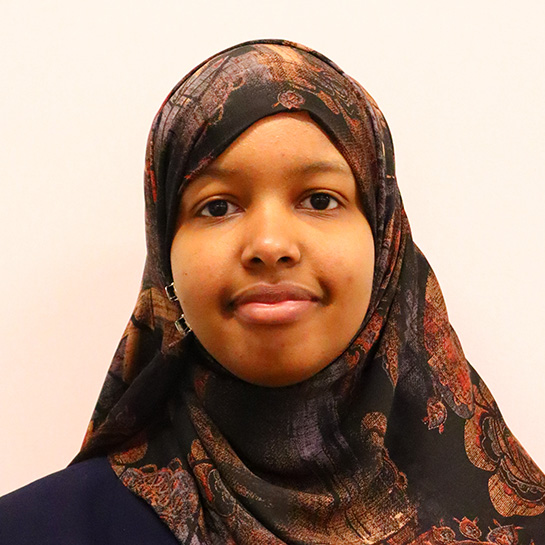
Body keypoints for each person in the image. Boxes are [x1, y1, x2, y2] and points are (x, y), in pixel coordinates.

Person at [0, 39, 543, 544]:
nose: (270, 245)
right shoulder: (35, 530)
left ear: (385, 242)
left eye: (320, 200)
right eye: (217, 206)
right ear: (165, 253)